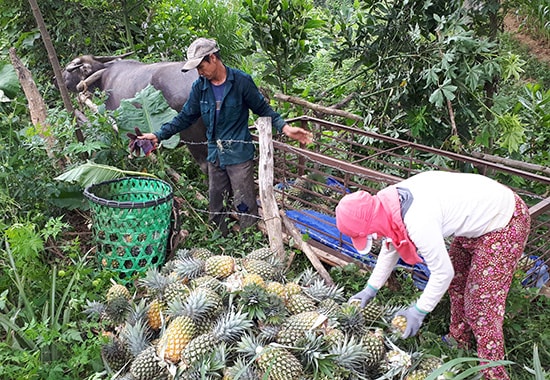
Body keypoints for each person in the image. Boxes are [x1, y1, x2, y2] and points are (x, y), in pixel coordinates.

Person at [335, 170, 530, 380]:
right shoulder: (385, 204)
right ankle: (459, 338)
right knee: (458, 285)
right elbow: (390, 246)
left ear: (371, 225)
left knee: (481, 306)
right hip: (477, 220)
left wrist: (419, 311)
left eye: (368, 234)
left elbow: (442, 273)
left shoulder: (418, 219)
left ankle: (494, 373)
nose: (374, 237)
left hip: (504, 220)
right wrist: (370, 289)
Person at [139, 37, 312, 235]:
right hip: (215, 155)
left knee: (244, 202)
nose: (199, 72)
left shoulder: (241, 82)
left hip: (238, 155)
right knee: (216, 203)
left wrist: (285, 128)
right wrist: (158, 135)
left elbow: (262, 109)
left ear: (212, 58)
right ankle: (219, 239)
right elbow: (185, 117)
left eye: (201, 66)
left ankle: (249, 239)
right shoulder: (200, 87)